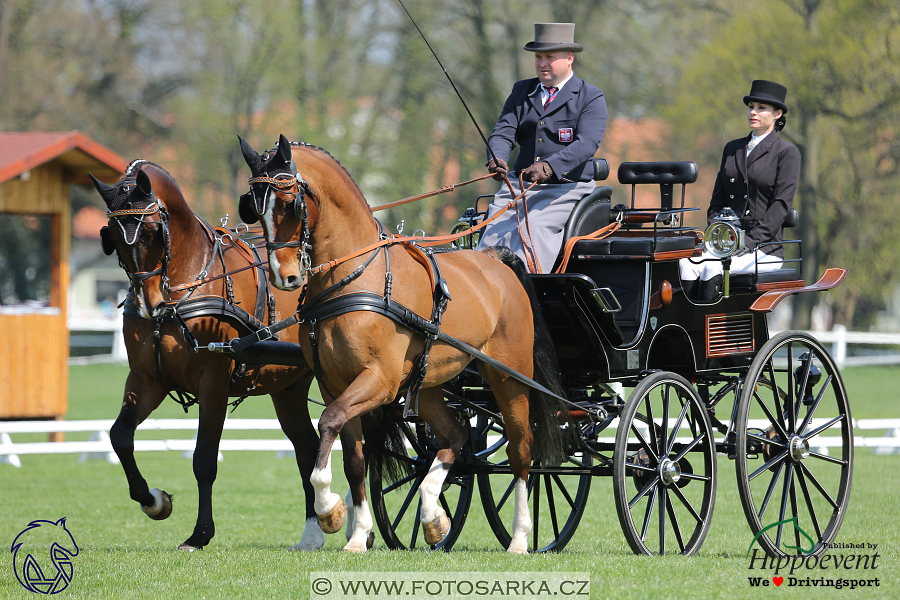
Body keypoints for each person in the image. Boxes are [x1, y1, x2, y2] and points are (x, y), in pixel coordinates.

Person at [476, 22, 607, 273]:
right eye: (538, 57)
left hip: (566, 188)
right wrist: (497, 159)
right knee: (493, 231)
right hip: (519, 186)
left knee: (532, 227)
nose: (542, 63)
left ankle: (530, 291)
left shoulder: (590, 96)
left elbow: (586, 144)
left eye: (550, 57)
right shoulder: (521, 91)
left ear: (569, 58)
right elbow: (503, 133)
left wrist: (549, 167)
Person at [680, 79, 801, 302]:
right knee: (685, 263)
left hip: (764, 247)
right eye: (750, 107)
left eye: (761, 108)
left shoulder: (787, 152)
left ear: (778, 114)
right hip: (726, 242)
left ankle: (707, 330)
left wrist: (749, 241)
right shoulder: (732, 149)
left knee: (712, 268)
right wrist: (717, 233)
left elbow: (781, 205)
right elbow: (717, 200)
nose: (753, 112)